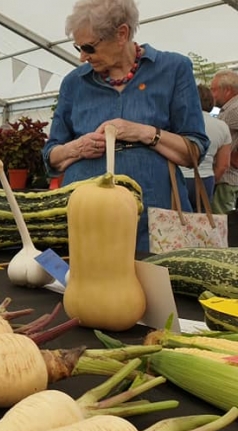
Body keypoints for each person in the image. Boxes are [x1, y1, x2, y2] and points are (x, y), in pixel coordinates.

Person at [43, 0, 208, 252]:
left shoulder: (173, 69)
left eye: (89, 47)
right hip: (85, 221)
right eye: (78, 46)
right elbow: (51, 156)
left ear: (122, 34)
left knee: (155, 288)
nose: (82, 56)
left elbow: (193, 151)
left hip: (154, 221)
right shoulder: (73, 84)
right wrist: (76, 148)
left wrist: (142, 132)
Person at [180, 85, 231, 207]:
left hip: (178, 177)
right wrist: (213, 180)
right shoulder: (222, 126)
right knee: (202, 221)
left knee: (174, 220)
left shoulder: (177, 122)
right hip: (206, 179)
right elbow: (224, 165)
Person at [210, 69, 238, 214]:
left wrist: (235, 157)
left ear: (227, 90)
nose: (212, 95)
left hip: (227, 178)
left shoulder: (234, 109)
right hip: (226, 177)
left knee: (223, 224)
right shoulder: (227, 109)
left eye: (214, 90)